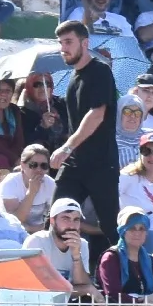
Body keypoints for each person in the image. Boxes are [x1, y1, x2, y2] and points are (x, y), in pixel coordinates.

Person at [50, 18, 119, 233]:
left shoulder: (100, 71)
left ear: (85, 43)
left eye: (68, 42)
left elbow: (96, 115)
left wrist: (66, 147)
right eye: (61, 43)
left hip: (100, 164)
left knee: (111, 227)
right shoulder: (73, 77)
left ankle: (126, 266)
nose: (63, 48)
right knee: (55, 219)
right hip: (75, 164)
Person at [25, 195, 93, 291]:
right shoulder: (37, 241)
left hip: (68, 303)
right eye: (66, 218)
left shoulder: (82, 245)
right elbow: (42, 288)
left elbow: (83, 284)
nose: (71, 225)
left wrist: (77, 256)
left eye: (76, 220)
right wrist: (85, 289)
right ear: (52, 221)